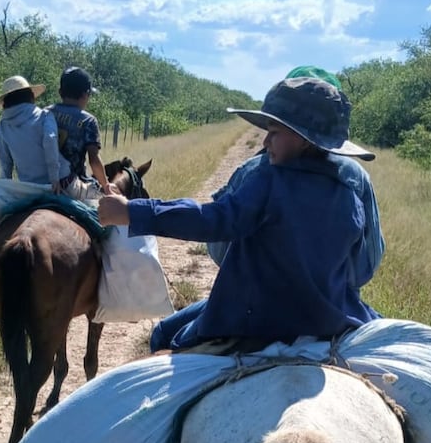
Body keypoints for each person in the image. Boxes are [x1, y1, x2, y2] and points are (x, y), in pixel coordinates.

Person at [98, 76, 381, 353]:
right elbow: (360, 267)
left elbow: (214, 220)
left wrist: (131, 211)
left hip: (255, 320)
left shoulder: (268, 179)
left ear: (304, 140)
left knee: (162, 334)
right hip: (332, 321)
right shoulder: (348, 192)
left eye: (274, 132)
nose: (266, 142)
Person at [207, 65, 384, 285]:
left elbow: (219, 249)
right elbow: (369, 260)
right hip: (337, 309)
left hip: (253, 302)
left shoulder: (251, 171)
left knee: (172, 321)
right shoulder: (357, 178)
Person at [0, 75, 73, 196]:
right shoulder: (44, 116)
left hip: (28, 188)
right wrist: (54, 179)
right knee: (94, 201)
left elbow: (5, 164)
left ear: (6, 101)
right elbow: (50, 141)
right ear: (30, 95)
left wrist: (6, 190)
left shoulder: (3, 125)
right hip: (60, 182)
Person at [47, 67, 113, 200]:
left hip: (42, 180)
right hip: (72, 184)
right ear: (85, 95)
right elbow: (93, 159)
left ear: (60, 92)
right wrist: (105, 185)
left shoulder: (45, 112)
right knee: (110, 212)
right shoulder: (88, 120)